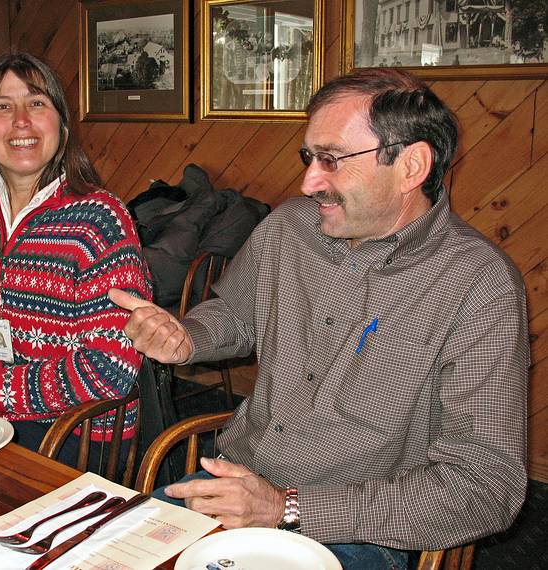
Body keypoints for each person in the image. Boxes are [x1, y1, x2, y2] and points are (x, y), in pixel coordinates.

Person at [109, 68, 529, 569]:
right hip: (231, 484)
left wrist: (289, 507)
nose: (309, 181)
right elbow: (237, 315)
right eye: (309, 157)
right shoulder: (289, 227)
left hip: (357, 530)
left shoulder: (478, 284)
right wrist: (188, 337)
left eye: (330, 160)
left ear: (412, 166)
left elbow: (486, 487)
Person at [0, 51, 152, 459]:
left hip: (71, 436)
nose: (21, 120)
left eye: (37, 103)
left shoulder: (101, 221)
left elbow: (109, 367)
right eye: (3, 106)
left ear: (60, 123)